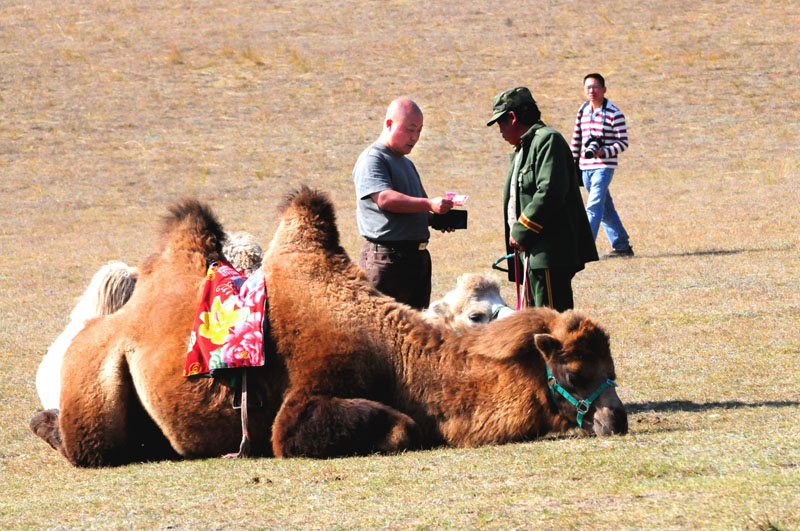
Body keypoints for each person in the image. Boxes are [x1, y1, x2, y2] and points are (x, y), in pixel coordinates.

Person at [487, 87, 598, 312]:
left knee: (552, 326)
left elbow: (550, 192)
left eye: (500, 123)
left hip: (548, 254)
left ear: (513, 117)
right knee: (535, 325)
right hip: (533, 254)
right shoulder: (525, 147)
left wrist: (521, 231)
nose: (499, 130)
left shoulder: (547, 140)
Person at [353, 97, 454, 310]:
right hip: (387, 261)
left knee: (417, 334)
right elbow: (385, 199)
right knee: (383, 333)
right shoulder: (373, 159)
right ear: (389, 124)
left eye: (419, 131)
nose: (415, 137)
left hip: (415, 260)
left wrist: (438, 218)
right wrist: (429, 204)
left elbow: (416, 210)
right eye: (410, 129)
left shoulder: (407, 164)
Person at [570, 73, 633, 258]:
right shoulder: (582, 110)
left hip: (604, 166)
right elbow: (576, 139)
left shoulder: (614, 113)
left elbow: (623, 143)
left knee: (593, 206)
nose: (592, 91)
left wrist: (603, 151)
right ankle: (622, 246)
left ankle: (583, 249)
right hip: (584, 167)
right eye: (588, 87)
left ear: (604, 89)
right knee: (605, 208)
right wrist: (571, 163)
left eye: (596, 87)